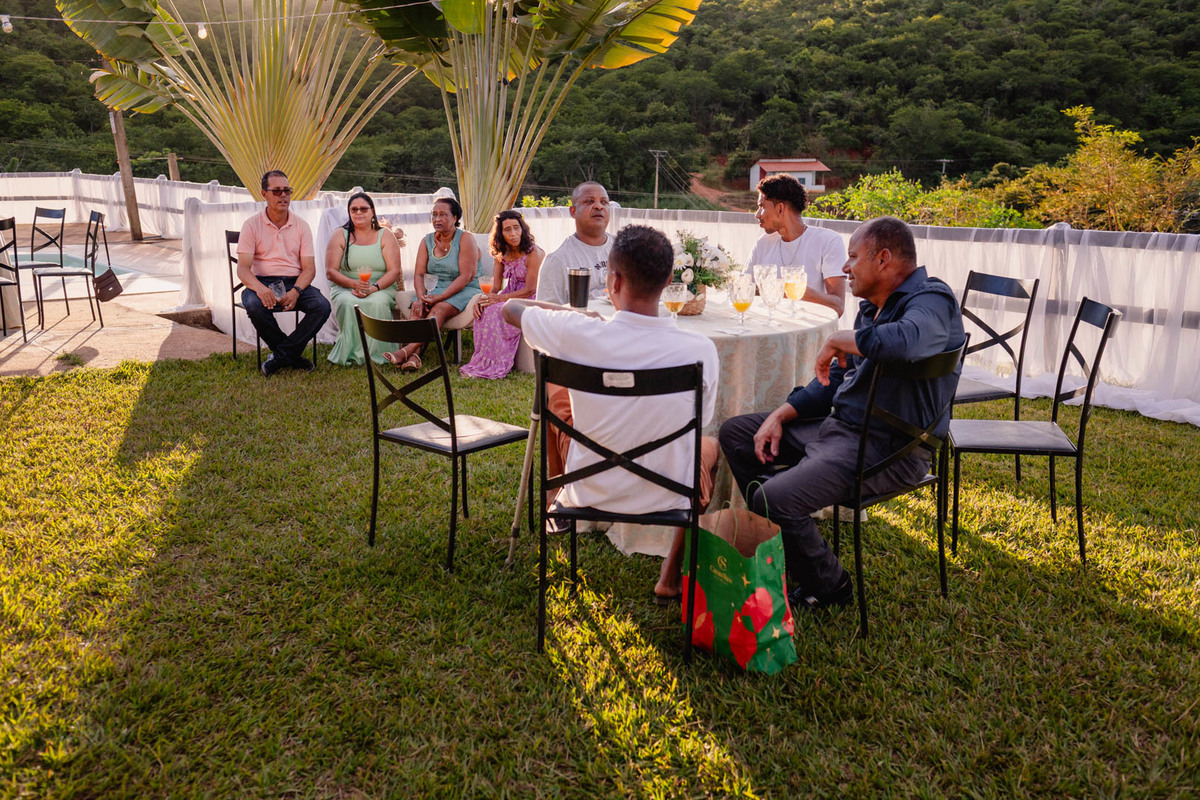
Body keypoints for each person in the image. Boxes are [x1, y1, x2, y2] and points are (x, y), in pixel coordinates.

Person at [719, 216, 964, 612]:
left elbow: (907, 342)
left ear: (883, 259)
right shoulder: (872, 307)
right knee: (738, 432)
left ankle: (831, 586)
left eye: (853, 257)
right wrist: (782, 413)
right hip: (841, 429)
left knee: (772, 498)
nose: (845, 267)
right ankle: (787, 533)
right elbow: (837, 378)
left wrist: (839, 338)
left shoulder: (932, 301)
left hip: (888, 448)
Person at [504, 225, 721, 602]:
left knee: (558, 395)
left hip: (588, 488)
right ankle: (669, 575)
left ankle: (559, 495)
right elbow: (698, 425)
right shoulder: (701, 350)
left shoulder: (578, 333)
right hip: (670, 495)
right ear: (670, 280)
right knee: (710, 446)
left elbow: (510, 308)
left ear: (613, 280)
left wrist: (580, 316)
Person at [237, 169, 332, 377]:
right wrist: (261, 289)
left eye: (287, 191)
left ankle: (281, 357)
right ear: (264, 194)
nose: (283, 196)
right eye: (277, 191)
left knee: (322, 306)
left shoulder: (301, 226)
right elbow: (243, 269)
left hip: (294, 282)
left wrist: (297, 290)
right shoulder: (251, 225)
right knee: (253, 304)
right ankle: (292, 356)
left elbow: (309, 269)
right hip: (261, 281)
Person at [382, 196, 481, 371]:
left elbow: (466, 276)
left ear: (455, 218)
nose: (437, 219)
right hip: (436, 287)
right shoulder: (427, 241)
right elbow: (419, 274)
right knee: (417, 308)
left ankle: (407, 350)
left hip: (465, 287)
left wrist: (440, 297)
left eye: (443, 215)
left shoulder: (465, 239)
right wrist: (421, 298)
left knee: (439, 308)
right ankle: (414, 358)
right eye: (434, 215)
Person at [745, 174, 847, 316]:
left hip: (810, 330)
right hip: (768, 326)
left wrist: (794, 290)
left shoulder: (828, 241)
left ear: (780, 209)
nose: (757, 214)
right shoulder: (763, 243)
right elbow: (744, 288)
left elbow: (838, 306)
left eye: (761, 206)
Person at [460, 210, 544, 379]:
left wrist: (499, 299)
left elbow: (530, 289)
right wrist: (484, 299)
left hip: (531, 297)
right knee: (483, 310)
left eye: (516, 228)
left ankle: (499, 363)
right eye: (507, 230)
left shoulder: (533, 253)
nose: (513, 233)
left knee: (498, 310)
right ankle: (483, 362)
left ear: (523, 229)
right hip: (510, 294)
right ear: (500, 233)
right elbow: (496, 286)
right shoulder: (501, 253)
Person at [324, 192, 405, 366]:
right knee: (347, 302)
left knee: (376, 302)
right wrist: (354, 284)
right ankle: (350, 354)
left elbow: (394, 271)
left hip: (381, 286)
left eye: (363, 209)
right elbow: (331, 271)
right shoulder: (340, 235)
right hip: (345, 285)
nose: (358, 213)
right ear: (349, 212)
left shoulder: (385, 235)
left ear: (372, 211)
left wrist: (373, 288)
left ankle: (380, 355)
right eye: (354, 209)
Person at [534, 181, 612, 305]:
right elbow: (547, 315)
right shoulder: (557, 261)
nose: (598, 206)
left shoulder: (624, 248)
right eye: (589, 201)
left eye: (604, 202)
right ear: (573, 211)